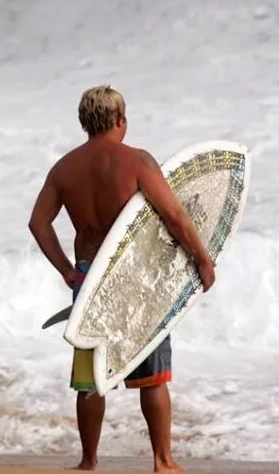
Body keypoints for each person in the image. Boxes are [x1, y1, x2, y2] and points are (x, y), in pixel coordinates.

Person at [28, 85, 216, 473]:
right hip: (137, 281)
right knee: (153, 379)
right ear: (121, 120)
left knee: (91, 378)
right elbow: (175, 217)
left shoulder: (64, 168)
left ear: (84, 123)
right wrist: (202, 259)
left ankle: (88, 461)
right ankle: (162, 460)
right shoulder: (137, 161)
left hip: (90, 279)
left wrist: (67, 269)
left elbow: (38, 223)